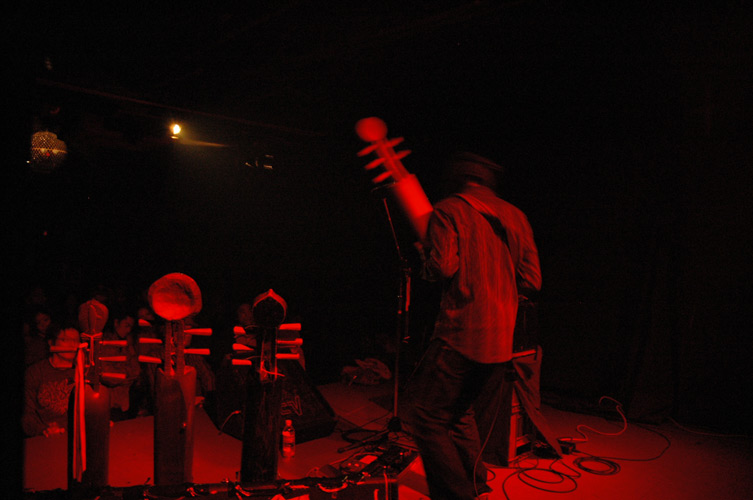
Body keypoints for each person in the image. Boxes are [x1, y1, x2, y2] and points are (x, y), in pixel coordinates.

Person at [403, 152, 541, 500]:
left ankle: (458, 494)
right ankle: (476, 482)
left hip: (461, 333)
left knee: (425, 416)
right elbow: (532, 280)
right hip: (501, 340)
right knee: (460, 412)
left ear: (459, 178)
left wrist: (425, 256)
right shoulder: (516, 216)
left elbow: (443, 268)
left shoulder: (449, 210)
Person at [22, 324, 81, 437]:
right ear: (51, 342)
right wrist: (43, 429)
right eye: (65, 340)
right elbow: (27, 413)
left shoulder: (82, 371)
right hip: (45, 437)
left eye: (76, 340)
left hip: (76, 435)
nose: (73, 344)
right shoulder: (35, 372)